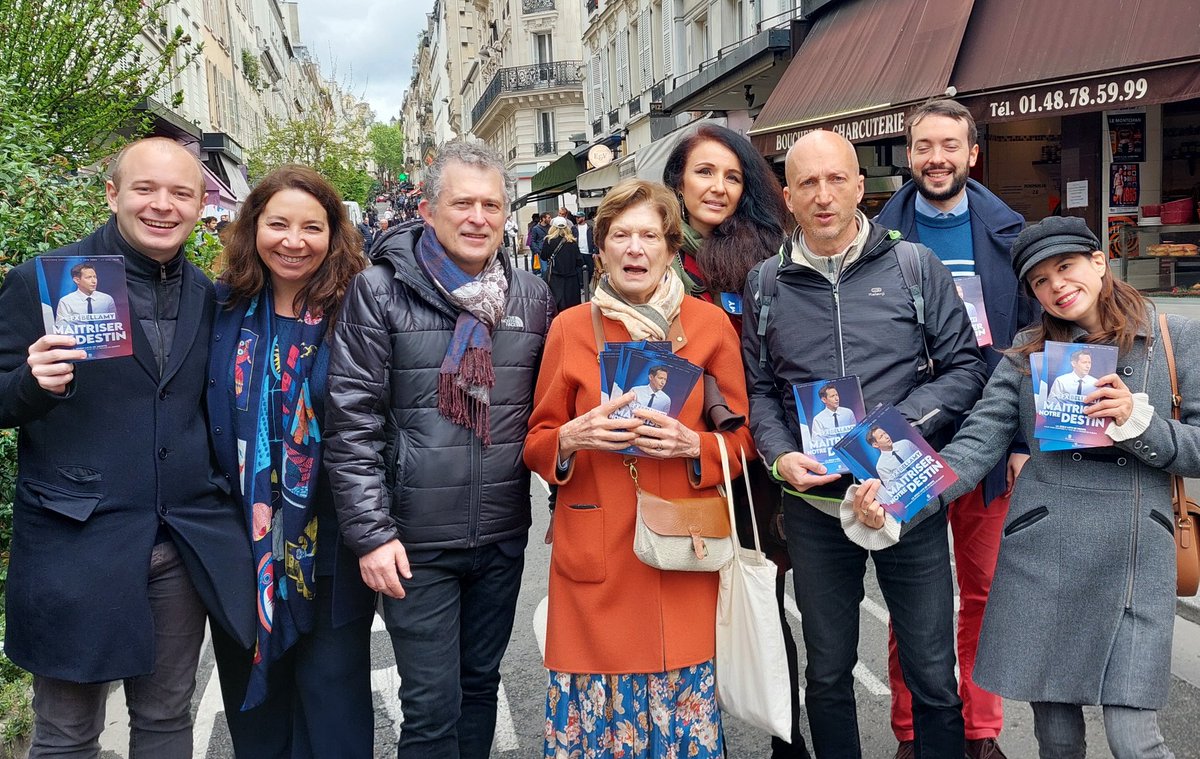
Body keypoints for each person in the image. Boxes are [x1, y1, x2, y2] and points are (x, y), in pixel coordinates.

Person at [854, 215, 1188, 759]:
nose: (1057, 285)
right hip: (1046, 559)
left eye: (1067, 267)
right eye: (1040, 280)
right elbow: (975, 445)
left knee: (1135, 737)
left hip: (1133, 559)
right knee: (1056, 737)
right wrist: (896, 498)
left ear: (1099, 262)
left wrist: (1141, 423)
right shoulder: (1026, 356)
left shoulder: (1174, 340)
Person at [0, 137, 254, 757]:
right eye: (145, 189)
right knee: (66, 734)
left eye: (180, 193)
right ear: (113, 194)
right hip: (75, 542)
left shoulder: (210, 295)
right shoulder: (41, 281)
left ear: (201, 205)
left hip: (180, 546)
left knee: (167, 722)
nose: (162, 205)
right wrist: (30, 385)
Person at [743, 130, 986, 758]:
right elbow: (759, 390)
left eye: (836, 179)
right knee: (827, 675)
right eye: (808, 184)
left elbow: (964, 368)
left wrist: (894, 429)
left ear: (860, 185)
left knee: (933, 674)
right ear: (788, 198)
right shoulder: (766, 284)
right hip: (817, 503)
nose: (824, 196)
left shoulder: (914, 267)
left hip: (907, 492)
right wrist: (777, 456)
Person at [324, 139, 554, 758]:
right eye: (463, 204)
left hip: (502, 536)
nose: (478, 217)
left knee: (479, 688)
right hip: (415, 544)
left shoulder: (530, 297)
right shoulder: (378, 291)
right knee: (430, 710)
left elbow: (548, 415)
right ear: (427, 211)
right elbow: (351, 424)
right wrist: (372, 534)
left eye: (492, 205)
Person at [525, 178, 755, 758]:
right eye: (620, 235)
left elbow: (743, 442)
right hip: (596, 558)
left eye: (649, 235)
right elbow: (537, 441)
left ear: (671, 249)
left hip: (682, 559)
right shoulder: (570, 328)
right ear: (598, 249)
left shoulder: (709, 328)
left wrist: (692, 448)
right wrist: (572, 438)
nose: (634, 249)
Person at [875, 98, 1028, 759]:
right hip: (909, 435)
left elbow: (1036, 341)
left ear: (971, 153)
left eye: (949, 145)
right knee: (910, 588)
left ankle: (981, 728)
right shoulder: (875, 235)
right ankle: (910, 728)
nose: (935, 158)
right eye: (922, 146)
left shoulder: (1012, 235)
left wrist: (1025, 441)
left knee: (985, 587)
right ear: (909, 155)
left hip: (990, 436)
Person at [206, 165, 376, 757]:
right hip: (241, 550)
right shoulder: (220, 309)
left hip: (331, 550)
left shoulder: (359, 308)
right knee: (259, 722)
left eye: (312, 226)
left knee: (335, 714)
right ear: (254, 228)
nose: (293, 240)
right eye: (278, 224)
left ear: (334, 234)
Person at [663, 122, 810, 758]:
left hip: (753, 460)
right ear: (677, 181)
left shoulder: (772, 255)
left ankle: (787, 740)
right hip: (674, 458)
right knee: (681, 608)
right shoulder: (650, 251)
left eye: (732, 175)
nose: (718, 187)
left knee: (761, 601)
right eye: (704, 172)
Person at [542, 215, 585, 312]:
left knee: (556, 306)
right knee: (572, 308)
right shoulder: (572, 242)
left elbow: (543, 256)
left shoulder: (549, 241)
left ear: (553, 227)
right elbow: (580, 261)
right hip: (571, 279)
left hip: (555, 278)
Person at [53, 262, 118, 326]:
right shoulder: (66, 301)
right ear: (77, 280)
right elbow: (61, 328)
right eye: (89, 277)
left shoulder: (107, 299)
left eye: (95, 277)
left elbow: (116, 325)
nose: (94, 281)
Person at [868, 425, 921, 497]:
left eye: (885, 433)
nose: (886, 436)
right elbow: (893, 489)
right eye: (881, 436)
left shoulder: (905, 443)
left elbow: (925, 457)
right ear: (875, 445)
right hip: (912, 493)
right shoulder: (881, 466)